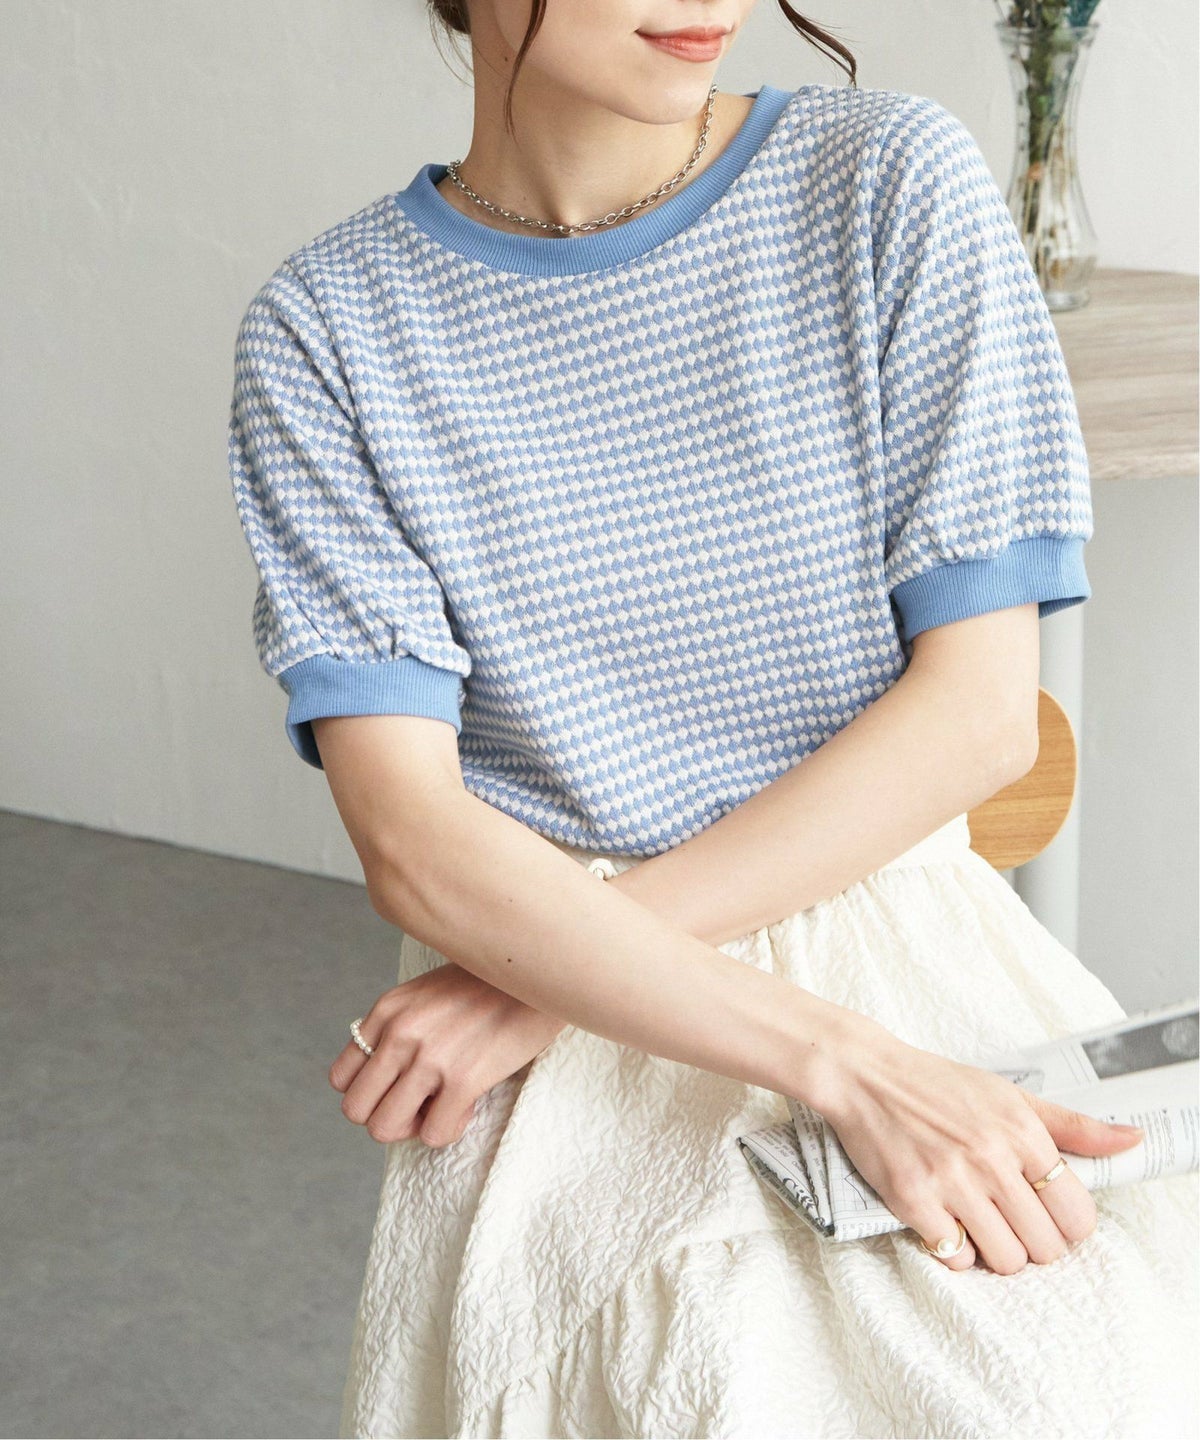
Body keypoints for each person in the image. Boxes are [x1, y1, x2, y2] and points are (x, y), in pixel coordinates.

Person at [226, 2, 1199, 1435]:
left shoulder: (885, 183)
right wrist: (845, 1066)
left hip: (848, 943)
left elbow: (980, 716)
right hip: (564, 1027)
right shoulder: (330, 329)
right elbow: (415, 843)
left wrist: (531, 986)